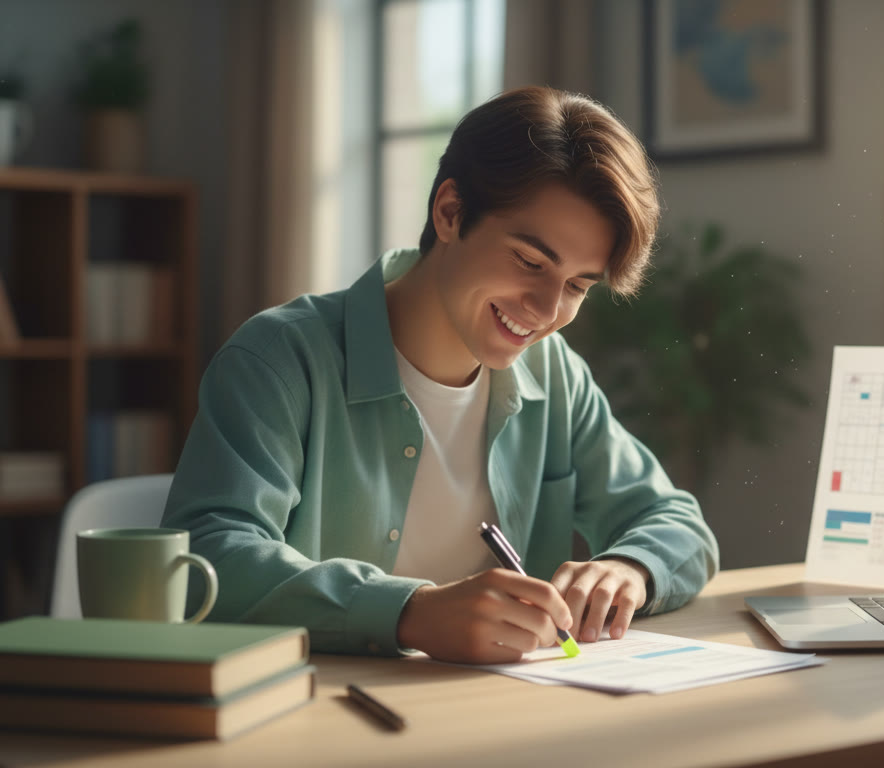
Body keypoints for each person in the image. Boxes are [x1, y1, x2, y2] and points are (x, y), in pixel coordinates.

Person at [162, 86, 720, 664]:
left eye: (578, 285)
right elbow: (207, 558)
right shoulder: (278, 359)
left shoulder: (554, 375)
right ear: (450, 212)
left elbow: (676, 523)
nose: (547, 309)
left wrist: (629, 569)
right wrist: (410, 613)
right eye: (530, 262)